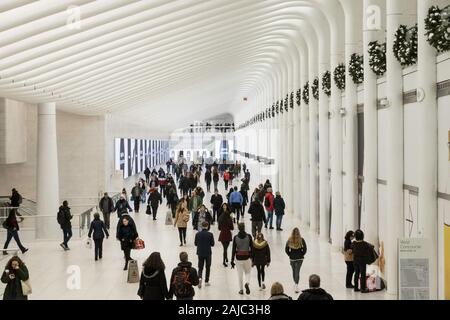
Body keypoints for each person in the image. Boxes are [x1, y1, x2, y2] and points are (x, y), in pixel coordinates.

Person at [231, 223, 253, 295]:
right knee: (248, 272)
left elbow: (233, 249)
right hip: (247, 257)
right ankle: (247, 283)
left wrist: (232, 261)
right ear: (244, 227)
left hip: (238, 257)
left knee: (240, 275)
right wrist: (252, 257)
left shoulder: (235, 237)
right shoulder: (249, 236)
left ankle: (241, 290)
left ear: (238, 228)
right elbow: (252, 248)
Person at [285, 227, 307, 293]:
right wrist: (302, 253)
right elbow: (305, 249)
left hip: (292, 258)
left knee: (295, 271)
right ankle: (296, 284)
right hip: (300, 258)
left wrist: (290, 254)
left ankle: (296, 284)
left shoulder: (289, 240)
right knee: (297, 271)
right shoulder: (301, 240)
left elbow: (286, 249)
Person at [194, 222, 215, 288]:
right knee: (208, 267)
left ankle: (199, 278)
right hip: (208, 253)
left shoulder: (197, 234)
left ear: (201, 226)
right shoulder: (210, 234)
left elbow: (195, 243)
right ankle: (206, 281)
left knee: (200, 267)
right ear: (207, 226)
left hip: (200, 252)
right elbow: (212, 244)